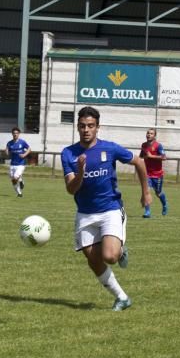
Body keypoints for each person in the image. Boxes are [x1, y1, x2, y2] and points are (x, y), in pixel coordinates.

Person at [61, 106, 150, 311]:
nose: (86, 130)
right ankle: (122, 297)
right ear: (77, 127)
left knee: (110, 256)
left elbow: (138, 162)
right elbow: (71, 189)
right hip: (84, 213)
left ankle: (118, 249)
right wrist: (81, 171)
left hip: (110, 208)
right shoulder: (68, 153)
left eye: (91, 126)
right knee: (94, 261)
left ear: (97, 127)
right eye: (82, 126)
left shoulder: (109, 148)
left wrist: (145, 192)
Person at [140, 127, 168, 217]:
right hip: (147, 173)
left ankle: (164, 205)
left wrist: (152, 156)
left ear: (155, 136)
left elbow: (164, 157)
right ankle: (147, 212)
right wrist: (144, 157)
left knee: (158, 193)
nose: (149, 135)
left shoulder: (158, 146)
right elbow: (141, 156)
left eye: (151, 133)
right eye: (148, 133)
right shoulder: (144, 145)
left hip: (157, 174)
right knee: (146, 191)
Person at [3, 127, 31, 197]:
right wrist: (6, 152)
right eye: (14, 133)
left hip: (21, 164)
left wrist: (24, 154)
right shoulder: (9, 143)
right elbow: (7, 152)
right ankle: (19, 193)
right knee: (13, 180)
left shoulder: (22, 142)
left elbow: (29, 149)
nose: (15, 134)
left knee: (15, 177)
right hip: (12, 164)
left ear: (19, 134)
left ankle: (20, 181)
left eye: (16, 133)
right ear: (12, 134)